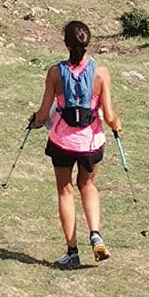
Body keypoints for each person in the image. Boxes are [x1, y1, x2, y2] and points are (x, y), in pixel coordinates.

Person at [30, 20, 121, 270]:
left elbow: (43, 114)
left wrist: (34, 122)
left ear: (66, 44)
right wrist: (117, 125)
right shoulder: (101, 73)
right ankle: (96, 235)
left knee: (65, 190)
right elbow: (109, 116)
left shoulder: (54, 73)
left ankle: (72, 252)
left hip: (62, 142)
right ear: (88, 42)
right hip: (91, 143)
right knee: (88, 185)